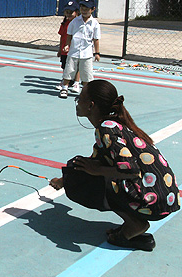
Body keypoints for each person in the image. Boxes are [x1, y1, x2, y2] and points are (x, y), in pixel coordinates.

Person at [50, 80, 180, 251]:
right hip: (165, 196)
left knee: (87, 179)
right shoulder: (114, 124)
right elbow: (97, 159)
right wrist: (63, 179)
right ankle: (132, 222)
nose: (77, 101)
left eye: (80, 98)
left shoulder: (106, 129)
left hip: (154, 201)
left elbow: (131, 170)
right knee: (79, 169)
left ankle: (134, 224)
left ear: (91, 105)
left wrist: (94, 171)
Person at [59, 0, 100, 99]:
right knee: (68, 71)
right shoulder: (75, 21)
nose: (84, 11)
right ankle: (65, 88)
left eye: (87, 9)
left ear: (93, 9)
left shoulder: (95, 24)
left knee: (87, 73)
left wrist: (97, 53)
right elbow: (69, 35)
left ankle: (86, 92)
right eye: (82, 8)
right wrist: (67, 45)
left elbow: (96, 39)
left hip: (87, 54)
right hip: (73, 52)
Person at [55, 1, 81, 93]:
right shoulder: (64, 23)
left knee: (76, 66)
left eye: (71, 12)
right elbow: (62, 36)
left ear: (77, 12)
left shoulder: (78, 23)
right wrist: (59, 49)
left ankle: (75, 82)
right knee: (65, 66)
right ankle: (65, 80)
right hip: (64, 50)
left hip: (74, 50)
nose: (68, 14)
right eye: (67, 12)